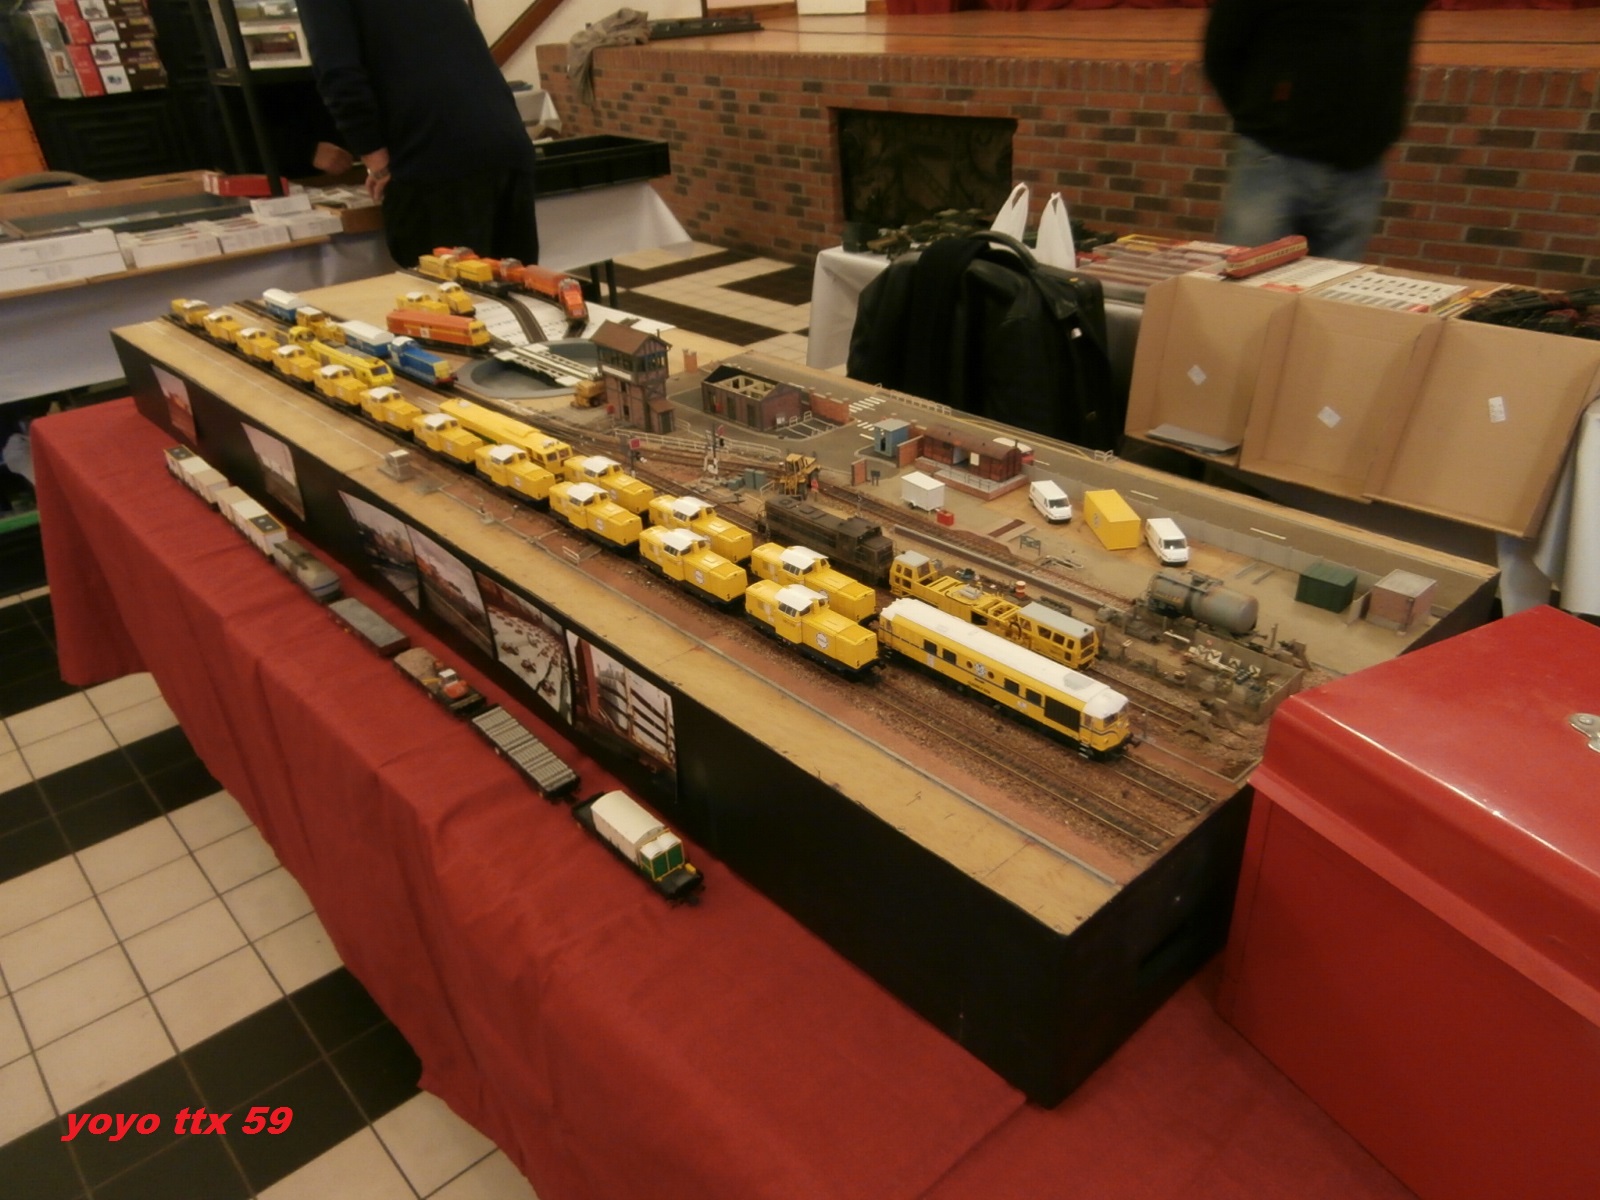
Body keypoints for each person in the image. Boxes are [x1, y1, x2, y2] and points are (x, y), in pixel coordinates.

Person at [300, 0, 539, 268]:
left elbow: (338, 73)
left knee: (445, 291)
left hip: (433, 157)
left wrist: (376, 163)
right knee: (516, 288)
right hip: (503, 139)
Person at [1202, 0, 1429, 262]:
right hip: (1274, 162)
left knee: (1332, 286)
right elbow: (1222, 50)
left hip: (1360, 170)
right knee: (1247, 280)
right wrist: (1267, 115)